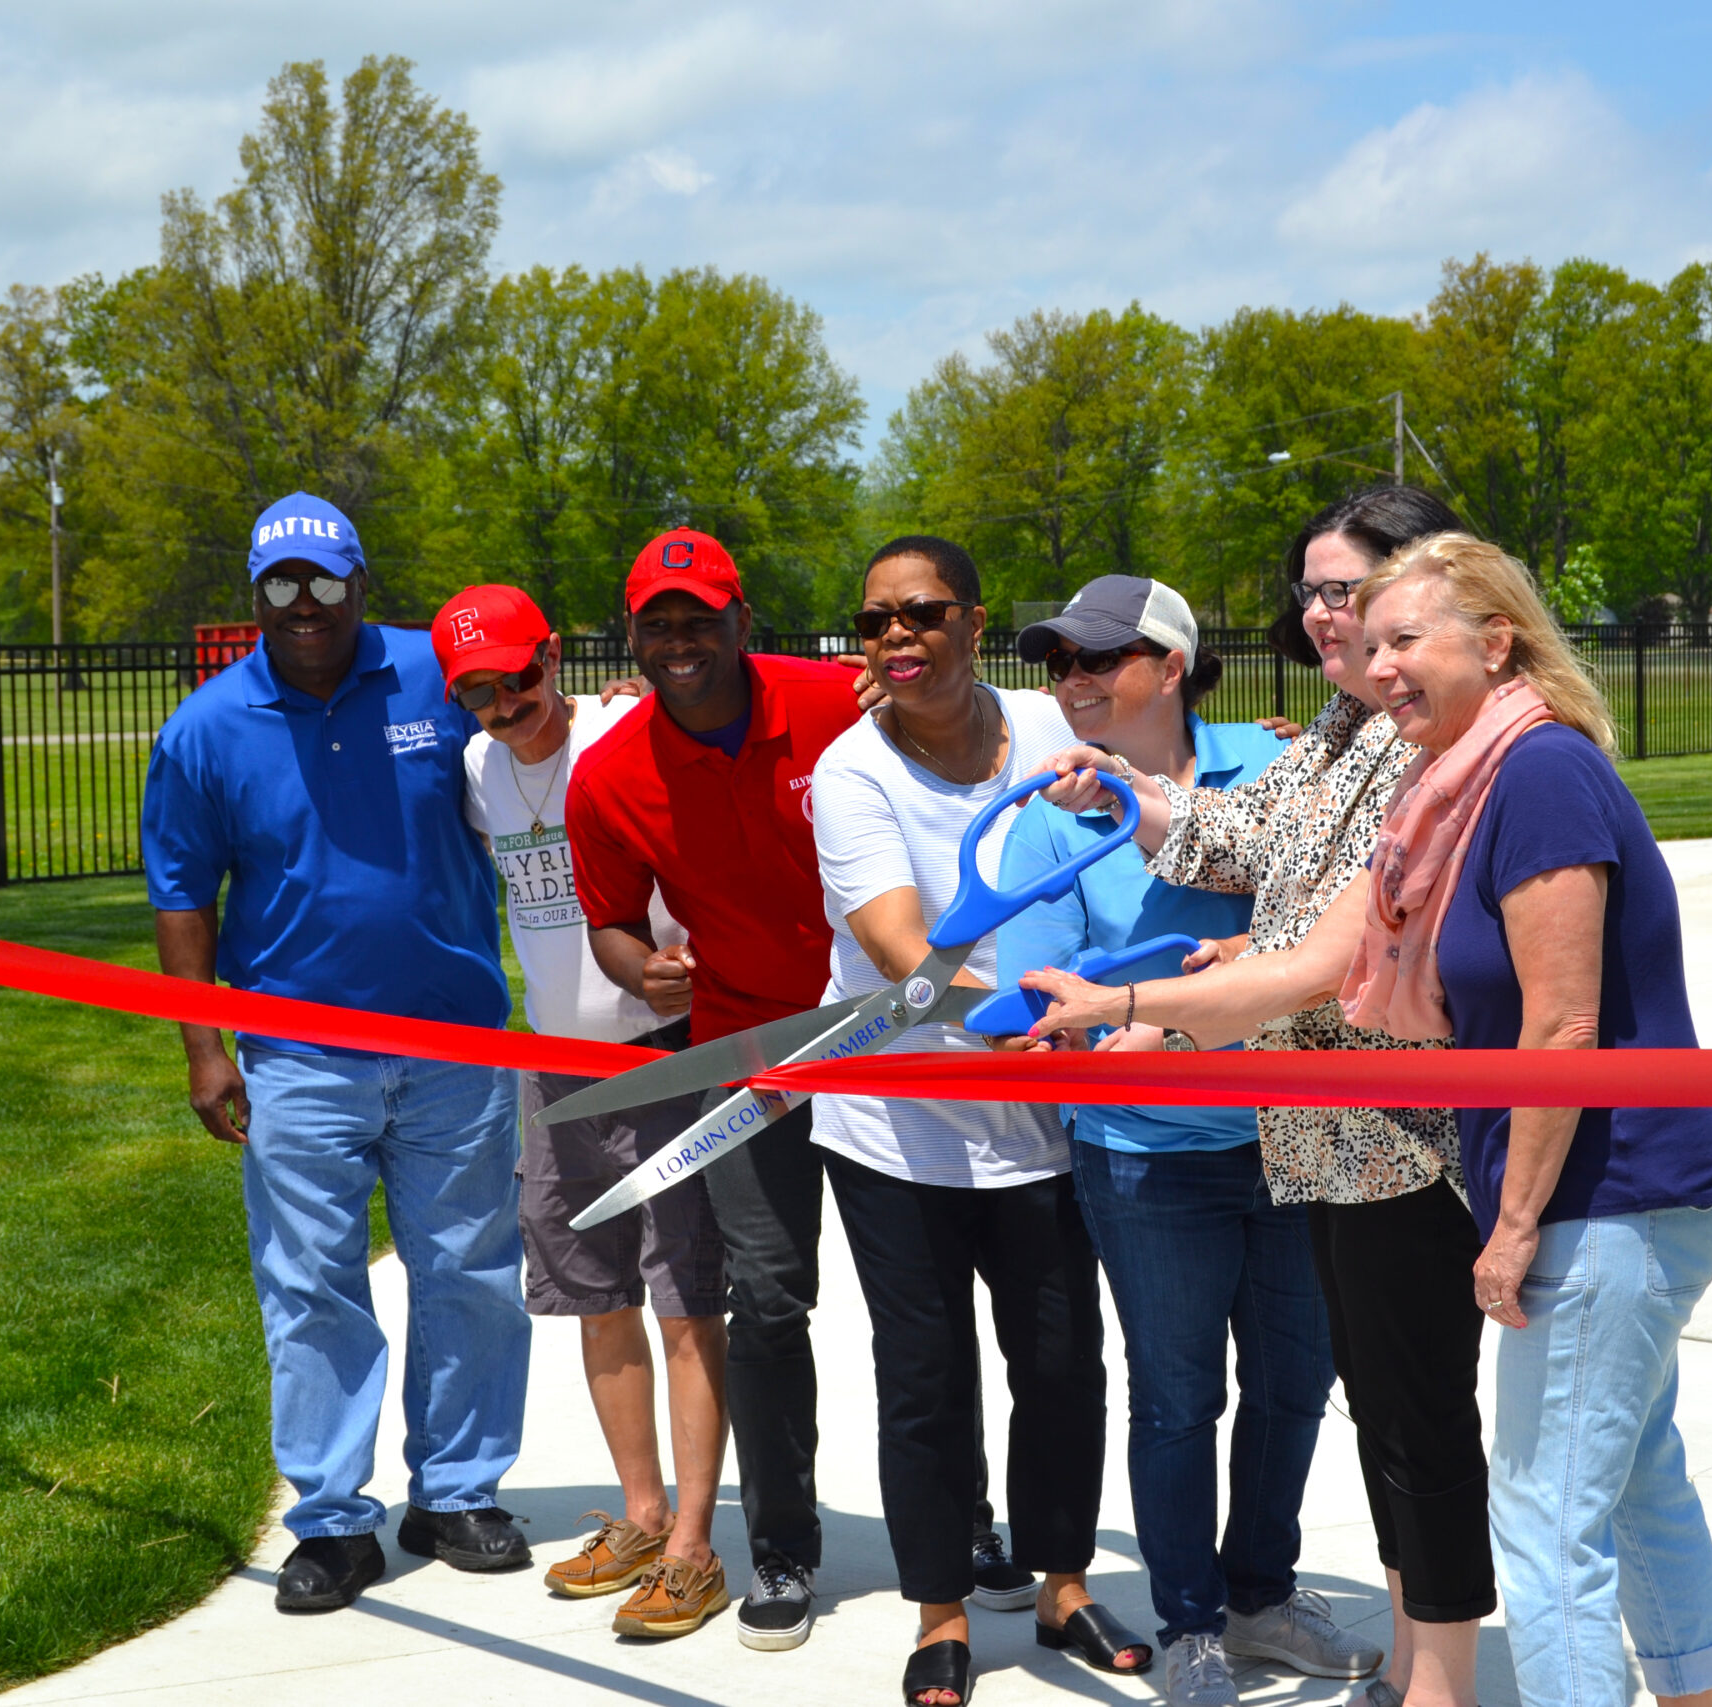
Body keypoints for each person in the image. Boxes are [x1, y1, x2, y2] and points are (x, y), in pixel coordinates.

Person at [1023, 487, 1493, 1707]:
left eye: (1353, 590)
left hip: (1395, 1137)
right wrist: (1125, 794)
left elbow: (1336, 956)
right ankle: (1392, 1660)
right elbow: (1240, 841)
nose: (1328, 613)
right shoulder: (1341, 730)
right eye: (1314, 592)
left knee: (1408, 1425)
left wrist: (1144, 1008)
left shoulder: (1432, 738)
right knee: (1363, 1419)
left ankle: (1426, 1679)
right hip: (1311, 1139)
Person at [564, 530, 1039, 1649]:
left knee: (927, 1303)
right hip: (752, 1055)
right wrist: (641, 970)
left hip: (886, 1039)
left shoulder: (837, 698)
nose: (680, 641)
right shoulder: (610, 774)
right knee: (770, 1300)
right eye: (657, 625)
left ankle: (967, 1521)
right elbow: (612, 922)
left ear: (741, 621)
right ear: (632, 636)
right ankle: (783, 1544)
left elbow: (962, 717)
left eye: (701, 618)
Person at [1340, 534, 1712, 1707]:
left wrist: (1512, 1224)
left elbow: (1562, 1025)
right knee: (1635, 1482)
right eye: (1369, 646)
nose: (1379, 668)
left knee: (1544, 1517)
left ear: (1494, 641)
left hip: (1607, 1201)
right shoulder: (1476, 785)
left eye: (1404, 640)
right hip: (1628, 1199)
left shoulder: (1538, 775)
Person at [993, 575, 1379, 1707]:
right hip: (1146, 1154)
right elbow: (1036, 990)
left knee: (1295, 1384)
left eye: (1097, 658)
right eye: (1057, 662)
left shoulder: (1274, 769)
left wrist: (1174, 1014)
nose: (1071, 681)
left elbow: (1324, 928)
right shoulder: (1050, 815)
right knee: (1175, 1397)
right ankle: (1193, 1623)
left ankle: (1261, 1595)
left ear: (1171, 666)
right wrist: (1088, 1030)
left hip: (1293, 1134)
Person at [142, 492, 530, 1615]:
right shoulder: (206, 728)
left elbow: (536, 732)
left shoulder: (432, 674)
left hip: (452, 1038)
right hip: (297, 1054)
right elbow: (182, 893)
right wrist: (204, 1048)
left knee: (470, 1271)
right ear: (255, 594)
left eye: (322, 581)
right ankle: (332, 1519)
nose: (302, 604)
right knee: (311, 1284)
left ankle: (456, 1492)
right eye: (280, 584)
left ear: (361, 583)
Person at [810, 535, 1150, 1707]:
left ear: (972, 620)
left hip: (1045, 1120)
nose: (895, 635)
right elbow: (898, 951)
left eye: (921, 612)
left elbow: (1154, 815)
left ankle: (1062, 1588)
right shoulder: (852, 772)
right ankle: (941, 1614)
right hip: (895, 1127)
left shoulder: (1054, 731)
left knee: (1060, 1365)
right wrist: (1013, 1012)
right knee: (924, 1378)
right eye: (875, 621)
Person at [432, 583, 730, 1640]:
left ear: (552, 657)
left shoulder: (624, 729)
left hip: (665, 1056)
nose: (503, 706)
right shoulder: (477, 768)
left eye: (517, 679)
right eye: (476, 692)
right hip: (555, 1069)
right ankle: (642, 1516)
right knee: (595, 1296)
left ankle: (694, 1546)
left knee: (686, 1297)